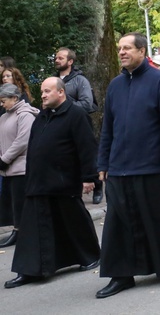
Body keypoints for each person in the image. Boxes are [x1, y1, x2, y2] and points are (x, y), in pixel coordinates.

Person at [97, 32, 160, 299]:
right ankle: (121, 275)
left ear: (142, 51)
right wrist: (103, 162)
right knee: (118, 224)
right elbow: (108, 128)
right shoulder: (115, 86)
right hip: (119, 167)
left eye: (127, 48)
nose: (122, 52)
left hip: (152, 165)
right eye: (119, 48)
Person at [4, 78, 100, 288]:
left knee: (75, 222)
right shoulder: (41, 117)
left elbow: (87, 147)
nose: (43, 95)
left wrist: (88, 177)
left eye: (48, 91)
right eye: (42, 92)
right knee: (33, 229)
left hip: (64, 181)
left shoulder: (76, 115)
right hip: (38, 182)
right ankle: (30, 270)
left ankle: (90, 256)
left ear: (61, 92)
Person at [54, 47, 101, 204]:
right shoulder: (53, 81)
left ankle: (98, 186)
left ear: (70, 61)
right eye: (56, 57)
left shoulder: (80, 80)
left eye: (61, 58)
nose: (57, 60)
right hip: (59, 125)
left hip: (79, 125)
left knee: (87, 155)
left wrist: (65, 102)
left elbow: (87, 104)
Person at [0, 84, 39, 248]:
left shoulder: (25, 115)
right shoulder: (4, 117)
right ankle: (17, 230)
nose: (2, 104)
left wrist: (5, 159)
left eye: (3, 101)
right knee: (13, 203)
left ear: (14, 98)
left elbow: (22, 140)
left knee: (21, 202)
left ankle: (23, 231)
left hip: (21, 167)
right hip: (8, 168)